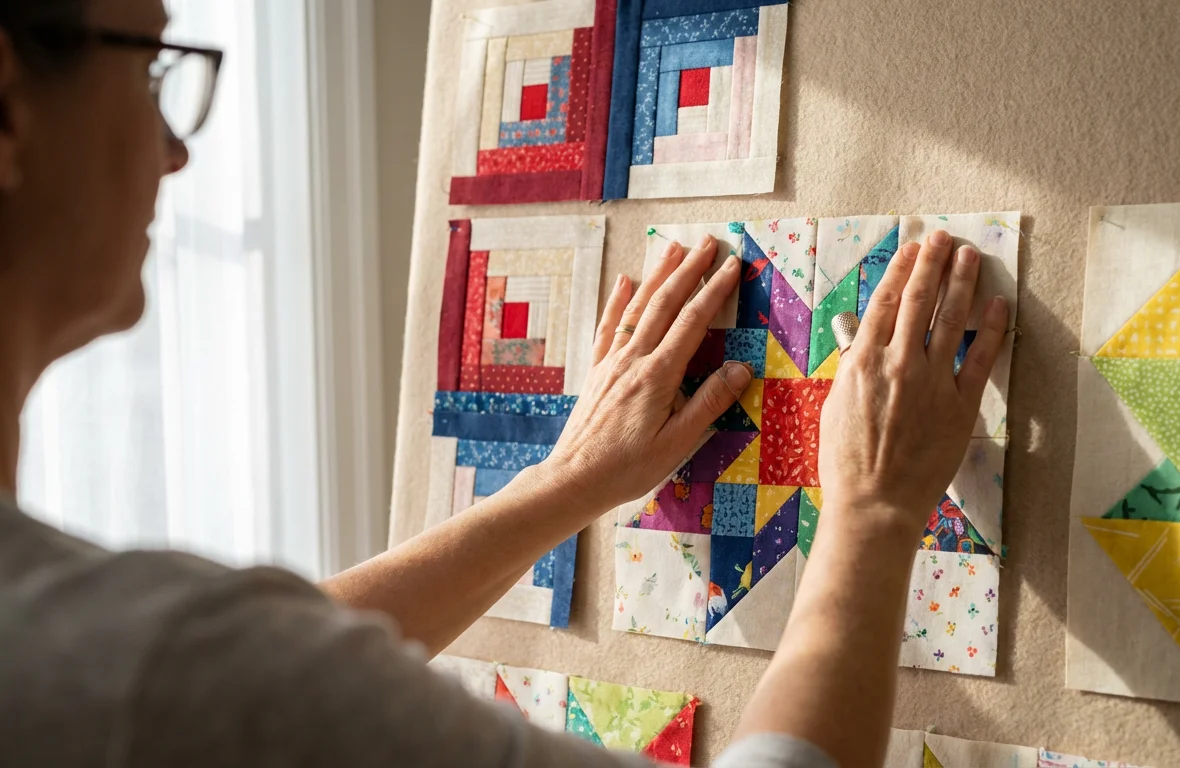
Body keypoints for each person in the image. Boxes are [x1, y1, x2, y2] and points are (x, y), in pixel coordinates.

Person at [0, 1, 1010, 766]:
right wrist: (872, 515)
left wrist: (564, 484)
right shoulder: (138, 669)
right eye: (149, 73)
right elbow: (228, 675)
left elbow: (251, 670)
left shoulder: (119, 660)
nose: (176, 148)